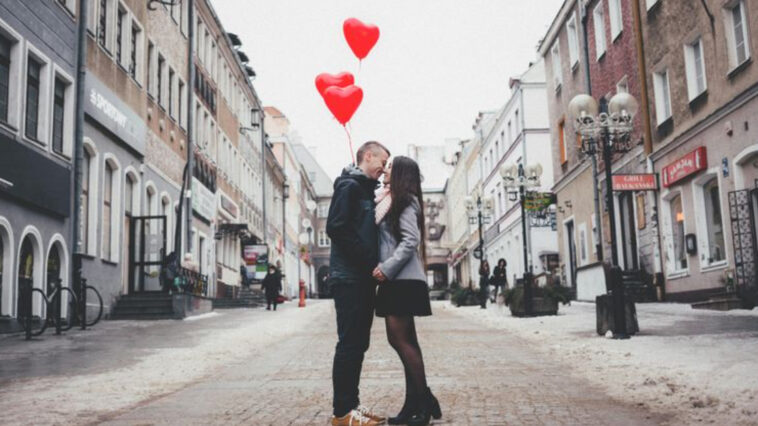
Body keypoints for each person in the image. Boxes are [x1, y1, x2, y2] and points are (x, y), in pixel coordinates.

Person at [373, 156, 441, 426]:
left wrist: (386, 268)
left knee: (401, 341)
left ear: (400, 173)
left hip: (401, 279)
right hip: (397, 280)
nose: (385, 169)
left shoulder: (405, 201)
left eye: (390, 166)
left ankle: (423, 402)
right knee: (405, 341)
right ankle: (415, 401)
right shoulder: (388, 200)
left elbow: (411, 239)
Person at [327, 141, 390, 426]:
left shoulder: (364, 189)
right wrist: (368, 261)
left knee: (358, 344)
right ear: (368, 156)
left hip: (361, 278)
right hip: (349, 278)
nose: (384, 169)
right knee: (350, 344)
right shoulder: (349, 187)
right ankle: (342, 413)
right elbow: (336, 227)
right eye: (382, 162)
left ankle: (352, 406)